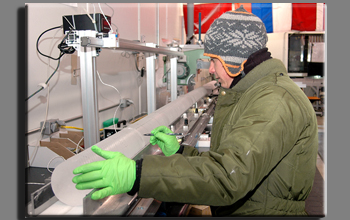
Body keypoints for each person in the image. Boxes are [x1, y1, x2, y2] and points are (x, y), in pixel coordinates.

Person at [72, 6, 319, 216]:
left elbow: (227, 176)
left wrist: (138, 175)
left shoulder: (274, 101)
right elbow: (229, 161)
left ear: (236, 60)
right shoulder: (253, 93)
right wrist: (181, 152)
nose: (210, 69)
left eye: (214, 60)